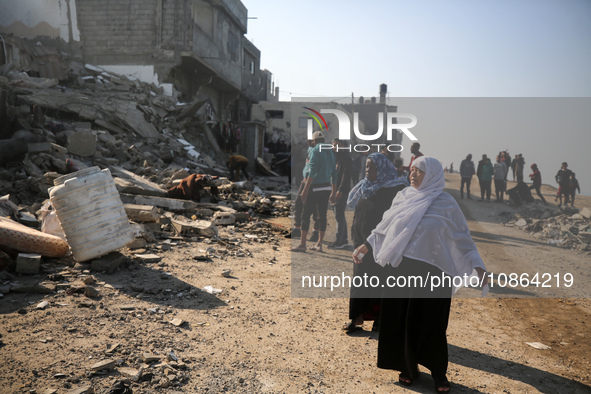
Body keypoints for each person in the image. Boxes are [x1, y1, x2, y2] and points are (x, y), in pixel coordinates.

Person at [353, 156, 488, 393]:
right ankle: (408, 367)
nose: (412, 175)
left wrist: (477, 265)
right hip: (402, 270)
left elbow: (462, 237)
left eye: (419, 171)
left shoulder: (446, 203)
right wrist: (365, 246)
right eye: (412, 170)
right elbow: (384, 227)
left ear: (433, 175)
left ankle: (438, 373)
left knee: (431, 323)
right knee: (401, 319)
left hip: (434, 273)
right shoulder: (403, 197)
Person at [343, 152, 408, 332]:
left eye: (372, 167)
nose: (367, 170)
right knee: (359, 280)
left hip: (381, 245)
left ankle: (379, 320)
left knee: (380, 282)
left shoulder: (394, 190)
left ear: (382, 169)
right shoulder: (365, 187)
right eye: (366, 166)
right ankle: (356, 319)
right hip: (361, 243)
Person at [291, 131, 336, 253]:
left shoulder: (315, 150)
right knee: (322, 216)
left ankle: (302, 244)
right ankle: (319, 244)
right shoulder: (330, 152)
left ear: (314, 141)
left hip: (313, 186)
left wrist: (305, 189)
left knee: (305, 214)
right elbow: (334, 172)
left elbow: (312, 171)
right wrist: (333, 190)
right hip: (326, 187)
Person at [329, 138, 353, 249]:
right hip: (335, 189)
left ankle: (340, 241)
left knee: (339, 214)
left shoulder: (346, 158)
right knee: (338, 214)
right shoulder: (334, 157)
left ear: (343, 146)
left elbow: (346, 176)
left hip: (342, 190)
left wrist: (340, 190)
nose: (335, 147)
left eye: (337, 145)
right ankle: (343, 240)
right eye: (333, 145)